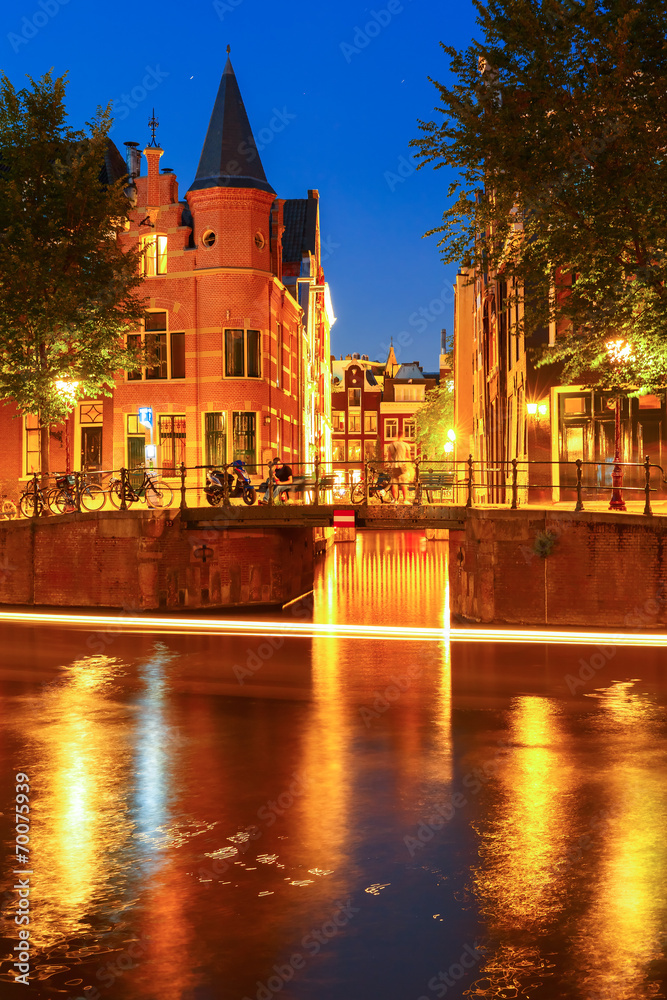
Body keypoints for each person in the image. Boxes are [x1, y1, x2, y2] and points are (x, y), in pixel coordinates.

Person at [387, 434, 413, 503]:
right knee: (404, 483)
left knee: (394, 483)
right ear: (402, 436)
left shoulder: (391, 445)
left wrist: (392, 463)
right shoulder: (406, 445)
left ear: (397, 436)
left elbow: (389, 458)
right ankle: (405, 500)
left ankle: (395, 500)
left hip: (394, 466)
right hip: (403, 466)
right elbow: (409, 457)